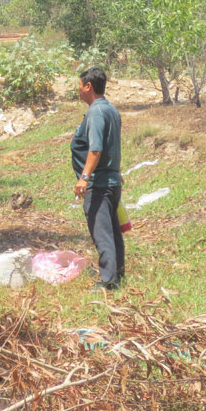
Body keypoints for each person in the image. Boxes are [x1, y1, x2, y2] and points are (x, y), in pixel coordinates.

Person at [71, 66, 124, 290]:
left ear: (88, 86)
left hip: (99, 184)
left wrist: (84, 178)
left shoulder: (95, 112)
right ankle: (118, 274)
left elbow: (96, 150)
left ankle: (108, 281)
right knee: (112, 230)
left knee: (102, 233)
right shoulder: (111, 109)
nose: (78, 91)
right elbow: (114, 145)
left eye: (79, 86)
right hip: (111, 181)